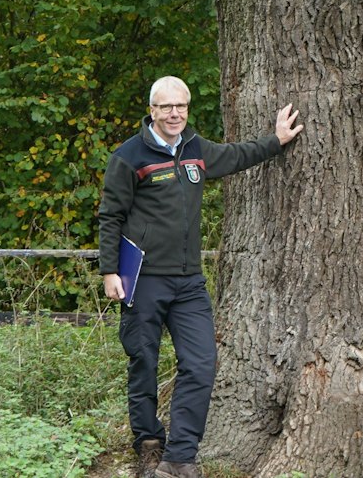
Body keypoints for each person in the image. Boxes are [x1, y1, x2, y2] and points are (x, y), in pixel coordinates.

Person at [98, 75, 303, 478]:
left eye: (181, 106)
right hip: (142, 278)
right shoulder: (129, 156)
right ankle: (150, 445)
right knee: (144, 361)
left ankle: (180, 458)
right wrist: (109, 271)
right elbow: (111, 215)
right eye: (166, 107)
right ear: (152, 110)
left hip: (190, 282)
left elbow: (235, 155)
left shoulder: (195, 150)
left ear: (187, 109)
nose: (175, 114)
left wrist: (275, 140)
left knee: (202, 364)